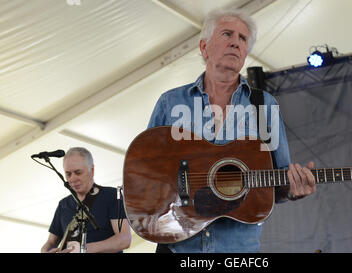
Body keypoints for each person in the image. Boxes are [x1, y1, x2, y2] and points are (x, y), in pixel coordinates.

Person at [147, 8, 316, 253]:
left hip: (238, 249)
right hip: (178, 246)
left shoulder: (264, 105)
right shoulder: (170, 102)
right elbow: (144, 167)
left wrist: (292, 189)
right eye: (228, 34)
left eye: (243, 39)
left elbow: (277, 181)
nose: (236, 43)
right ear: (204, 47)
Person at [41, 147, 131, 253]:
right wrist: (46, 251)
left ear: (91, 170)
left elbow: (124, 239)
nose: (72, 179)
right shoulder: (63, 205)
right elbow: (51, 242)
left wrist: (83, 249)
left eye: (78, 172)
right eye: (68, 174)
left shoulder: (111, 195)